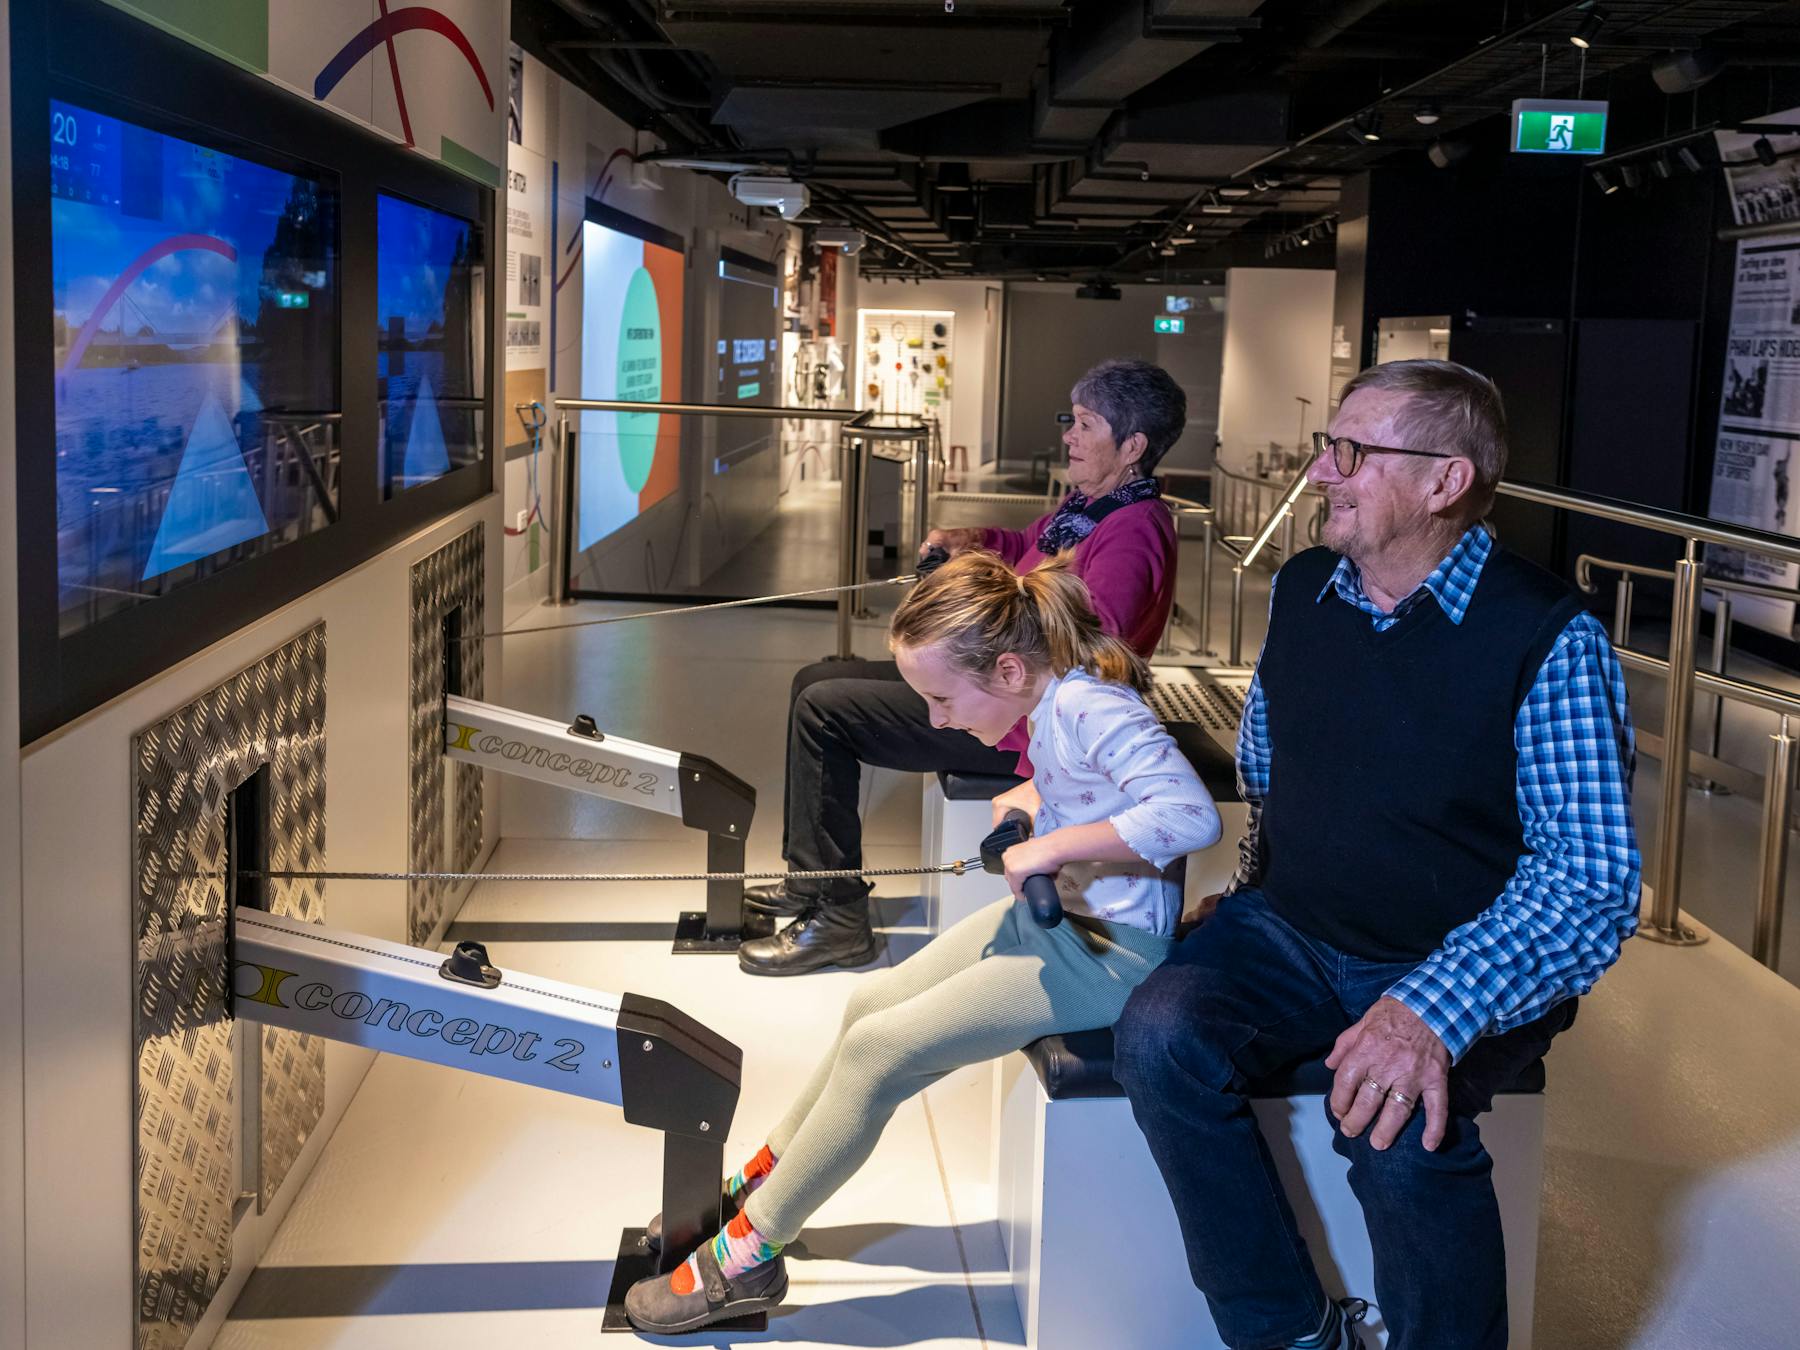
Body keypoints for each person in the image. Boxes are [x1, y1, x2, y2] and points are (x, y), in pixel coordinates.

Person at [1113, 359, 1641, 1350]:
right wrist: (1243, 896)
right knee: (1158, 1035)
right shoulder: (1307, 587)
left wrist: (1426, 1011)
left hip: (1451, 953)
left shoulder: (1547, 637)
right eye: (1329, 448)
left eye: (1353, 453)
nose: (1322, 472)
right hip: (1292, 928)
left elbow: (1590, 884)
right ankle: (1290, 1333)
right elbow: (1271, 770)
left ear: (1444, 482)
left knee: (1400, 1137)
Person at [625, 551, 1222, 1333]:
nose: (937, 720)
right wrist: (1028, 800)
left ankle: (745, 1261)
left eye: (941, 699)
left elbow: (1190, 816)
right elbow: (1075, 784)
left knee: (881, 1051)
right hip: (1057, 924)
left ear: (1008, 669)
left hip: (1108, 954)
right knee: (871, 1001)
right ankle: (769, 1184)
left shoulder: (1093, 707)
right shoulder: (1053, 701)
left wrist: (1045, 849)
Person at [738, 357, 1187, 976]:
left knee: (825, 712)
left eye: (1086, 424)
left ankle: (839, 918)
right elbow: (1028, 546)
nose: (1069, 436)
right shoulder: (1090, 508)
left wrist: (993, 608)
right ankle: (813, 881)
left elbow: (1083, 646)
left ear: (1132, 445)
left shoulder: (1133, 530)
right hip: (999, 690)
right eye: (1072, 420)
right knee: (813, 680)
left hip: (1029, 725)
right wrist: (968, 542)